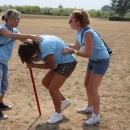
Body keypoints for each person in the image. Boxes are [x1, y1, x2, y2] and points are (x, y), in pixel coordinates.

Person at [62, 10, 110, 125]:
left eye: (71, 20)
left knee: (93, 88)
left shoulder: (87, 32)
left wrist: (71, 51)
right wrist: (60, 42)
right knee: (86, 84)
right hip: (93, 59)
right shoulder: (79, 32)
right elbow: (76, 46)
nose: (69, 22)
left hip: (101, 61)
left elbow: (86, 53)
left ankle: (96, 116)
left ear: (78, 21)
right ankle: (90, 107)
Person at [18, 35, 77, 124]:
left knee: (53, 89)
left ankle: (58, 115)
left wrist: (34, 65)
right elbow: (39, 56)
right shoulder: (35, 43)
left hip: (67, 63)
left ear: (33, 51)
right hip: (59, 61)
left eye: (31, 55)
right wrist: (32, 59)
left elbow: (51, 65)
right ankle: (64, 101)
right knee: (45, 82)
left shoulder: (45, 47)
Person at [0, 9, 42, 120]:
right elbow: (13, 36)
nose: (18, 21)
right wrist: (31, 36)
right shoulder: (3, 29)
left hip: (4, 63)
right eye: (16, 19)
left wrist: (34, 40)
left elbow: (23, 38)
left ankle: (0, 103)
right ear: (8, 19)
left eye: (19, 19)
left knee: (3, 86)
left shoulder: (14, 30)